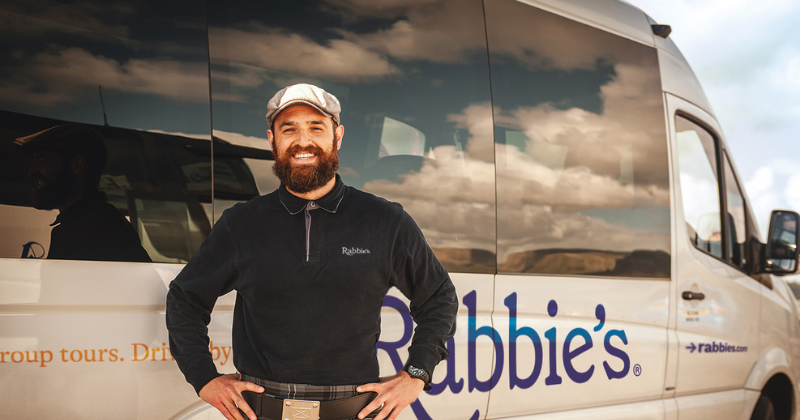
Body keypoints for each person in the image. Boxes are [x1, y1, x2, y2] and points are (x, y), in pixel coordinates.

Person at [166, 83, 458, 420]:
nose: (302, 141)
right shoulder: (241, 224)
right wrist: (203, 377)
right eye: (288, 129)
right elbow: (185, 298)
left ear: (338, 137)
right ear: (272, 140)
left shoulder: (385, 220)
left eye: (316, 127)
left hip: (355, 411)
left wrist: (417, 374)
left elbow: (439, 297)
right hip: (261, 411)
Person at [14, 124, 151, 262]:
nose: (32, 171)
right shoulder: (101, 224)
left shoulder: (94, 232)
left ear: (77, 165)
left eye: (41, 160)